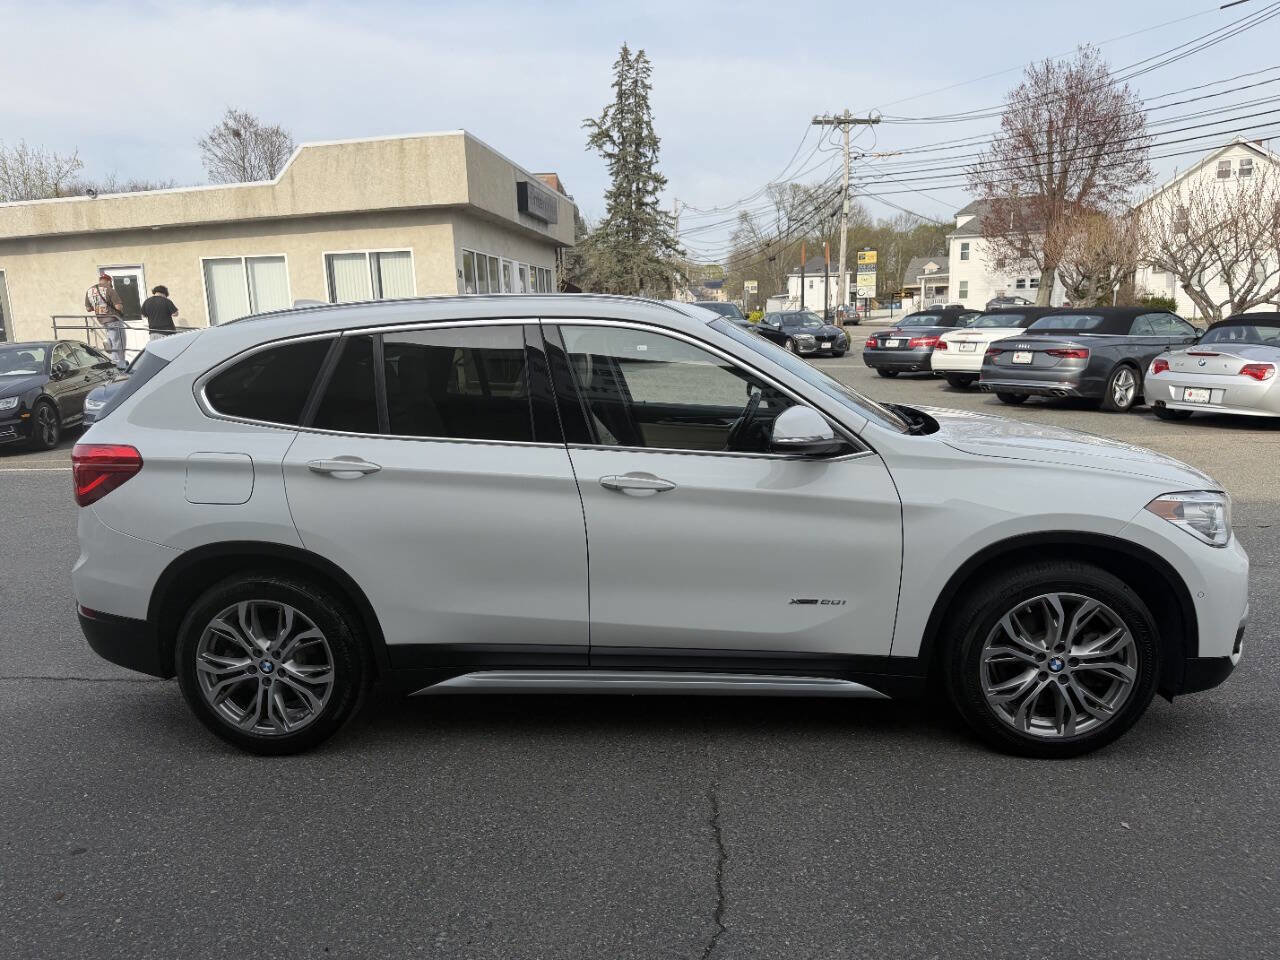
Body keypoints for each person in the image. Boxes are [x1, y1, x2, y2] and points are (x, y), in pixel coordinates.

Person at [84, 273, 126, 368]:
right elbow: (118, 307)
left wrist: (99, 306)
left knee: (111, 342)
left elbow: (88, 309)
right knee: (118, 343)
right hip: (113, 320)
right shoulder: (109, 290)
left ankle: (114, 362)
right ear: (109, 281)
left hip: (102, 320)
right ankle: (119, 365)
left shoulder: (90, 291)